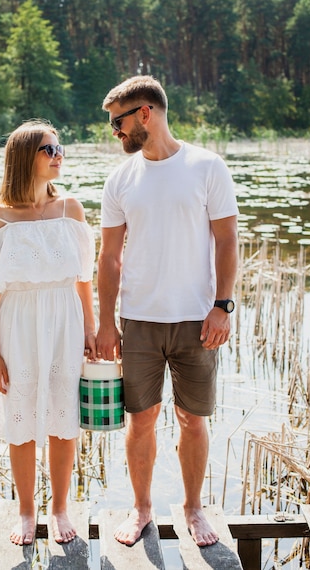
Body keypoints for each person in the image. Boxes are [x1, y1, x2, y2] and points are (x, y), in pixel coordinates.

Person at [96, 76, 239, 548]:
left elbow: (226, 241)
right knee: (140, 420)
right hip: (138, 322)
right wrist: (105, 321)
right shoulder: (120, 179)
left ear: (144, 113)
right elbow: (110, 257)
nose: (114, 131)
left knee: (192, 419)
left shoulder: (207, 166)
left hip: (197, 321)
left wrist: (221, 306)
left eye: (117, 121)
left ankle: (193, 508)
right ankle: (141, 509)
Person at [0, 120, 96, 546]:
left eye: (59, 147)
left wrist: (91, 328)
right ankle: (27, 511)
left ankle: (59, 508)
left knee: (64, 416)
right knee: (20, 417)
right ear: (26, 158)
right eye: (49, 149)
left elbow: (84, 278)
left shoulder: (72, 209)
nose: (58, 154)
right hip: (18, 323)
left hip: (65, 318)